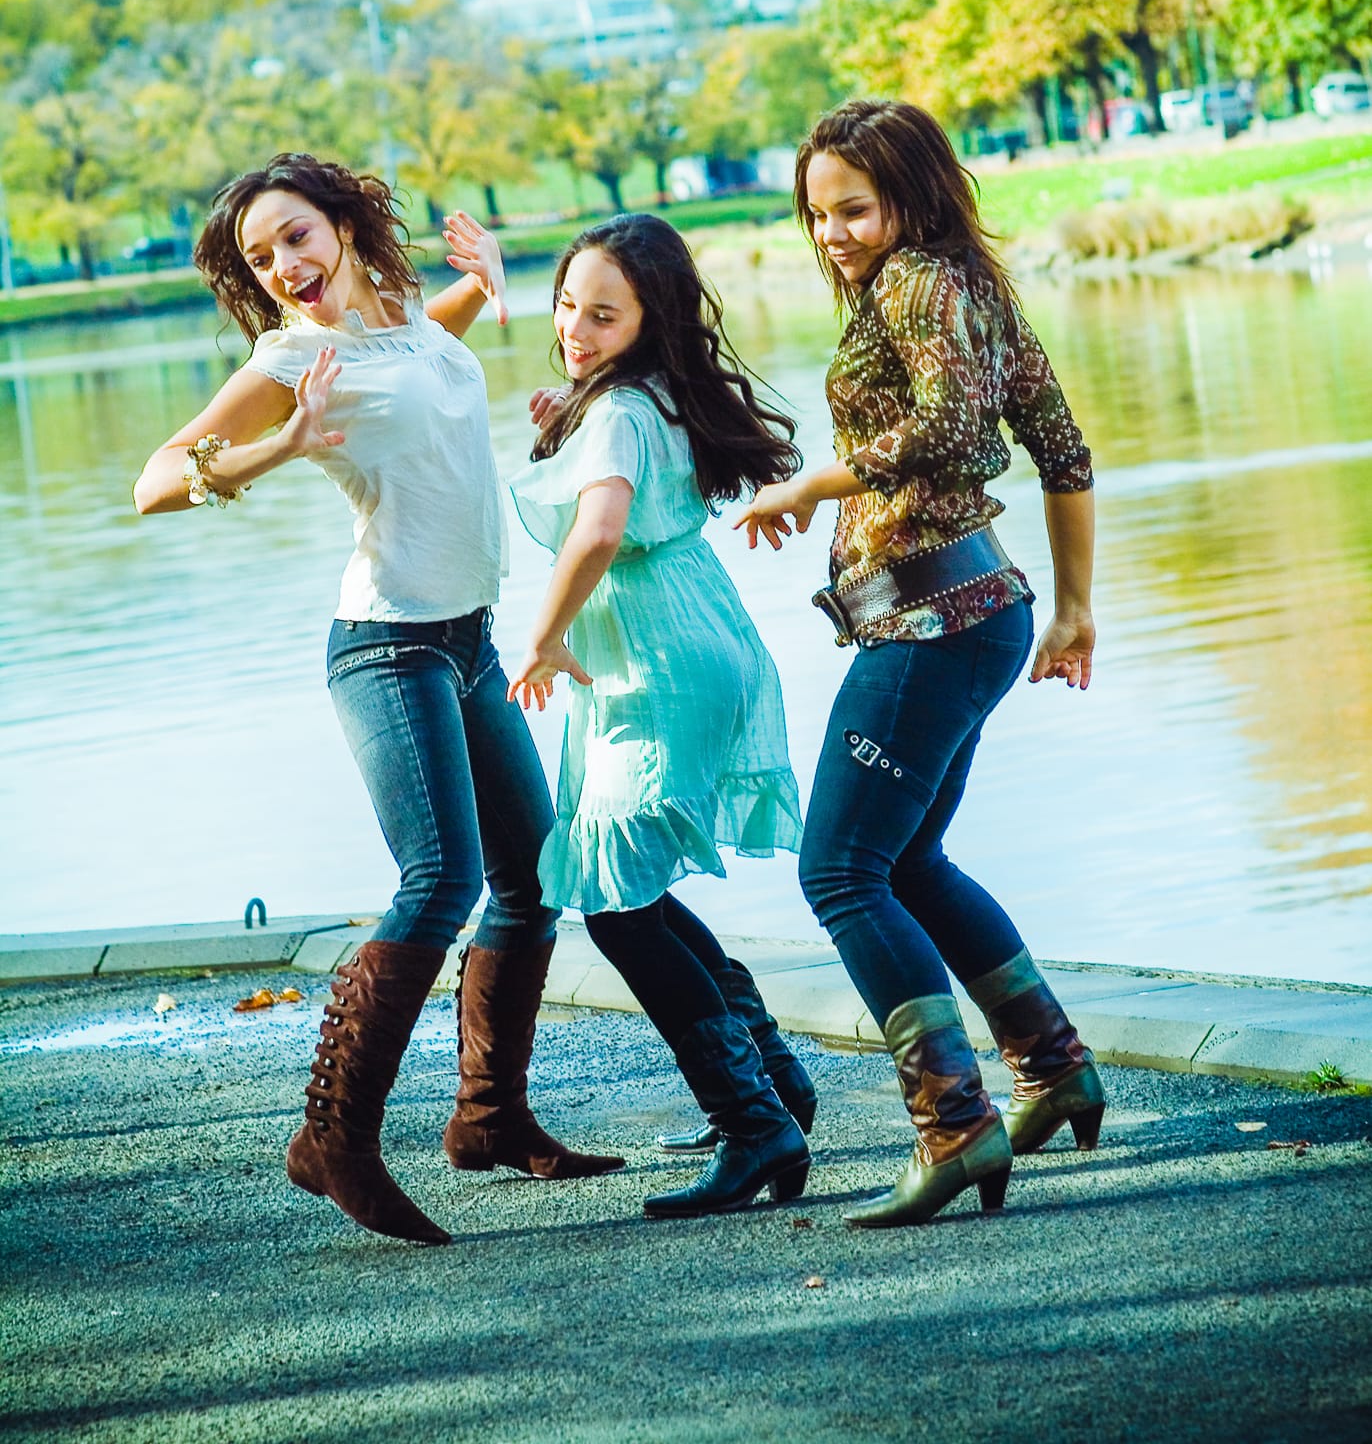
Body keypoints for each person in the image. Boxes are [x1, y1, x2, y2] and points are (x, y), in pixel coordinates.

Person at [133, 153, 621, 1248]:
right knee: (440, 877)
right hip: (386, 645)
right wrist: (281, 443)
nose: (285, 266)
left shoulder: (399, 313)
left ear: (344, 226)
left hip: (469, 640)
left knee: (531, 876)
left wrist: (487, 283)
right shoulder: (289, 354)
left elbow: (418, 350)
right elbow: (155, 480)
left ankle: (489, 1116)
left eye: (297, 236)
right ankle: (334, 1136)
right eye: (262, 257)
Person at [735, 100, 1104, 1229]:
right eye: (817, 212)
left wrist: (815, 482)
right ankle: (1052, 1068)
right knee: (912, 859)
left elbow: (955, 433)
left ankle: (953, 1125)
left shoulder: (916, 284)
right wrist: (1074, 605)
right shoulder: (971, 285)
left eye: (853, 207)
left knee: (840, 870)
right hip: (980, 607)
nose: (834, 231)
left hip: (931, 618)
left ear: (914, 194)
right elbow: (1064, 449)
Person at [505, 213, 816, 1219]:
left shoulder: (621, 410)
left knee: (613, 896)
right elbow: (613, 494)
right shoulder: (649, 396)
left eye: (603, 313)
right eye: (566, 305)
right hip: (692, 633)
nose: (575, 327)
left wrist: (545, 635)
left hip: (657, 661)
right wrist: (571, 418)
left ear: (649, 316)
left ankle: (752, 1115)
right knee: (627, 884)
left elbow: (598, 530)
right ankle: (772, 1087)